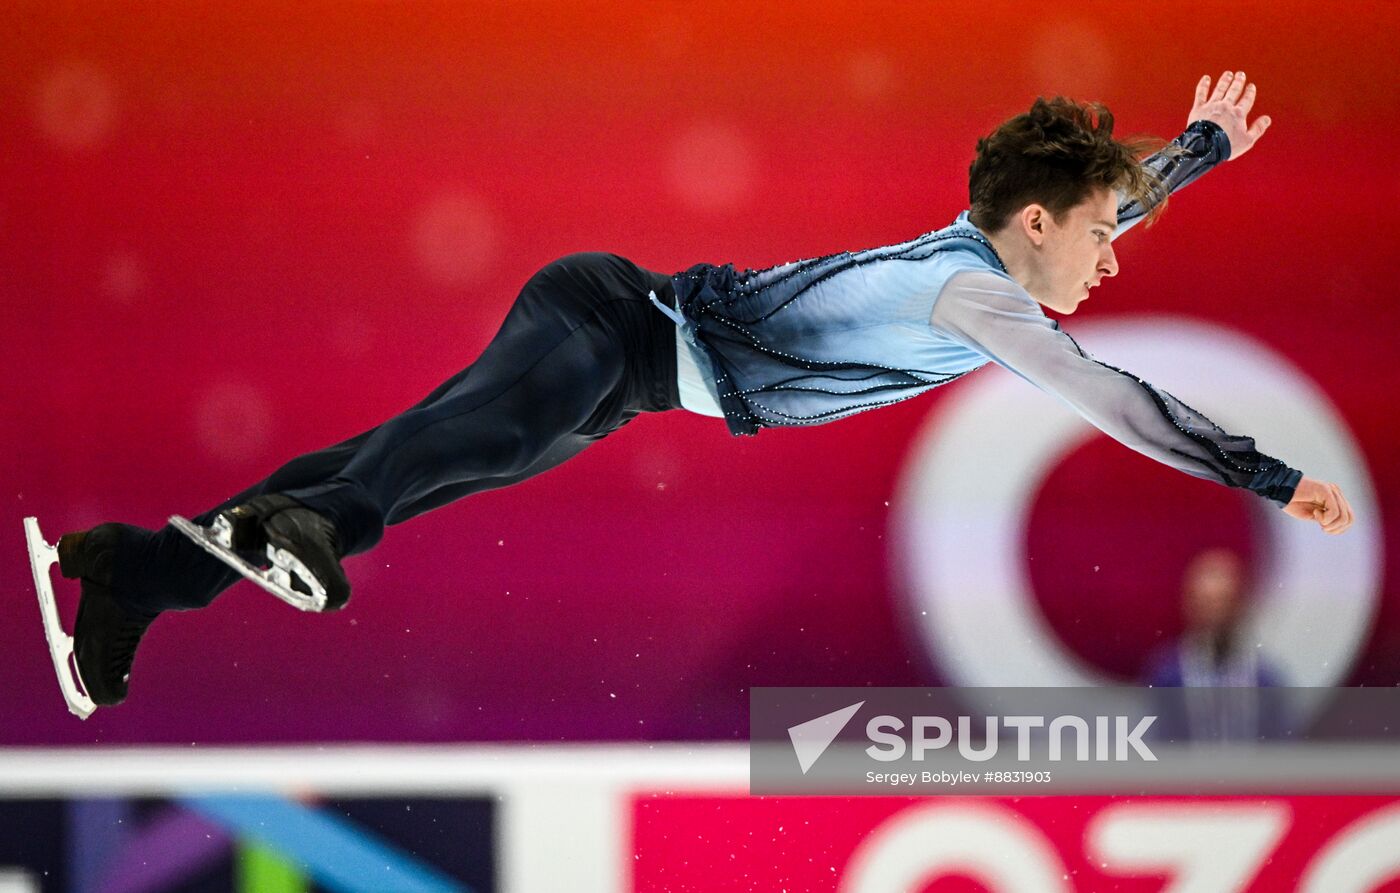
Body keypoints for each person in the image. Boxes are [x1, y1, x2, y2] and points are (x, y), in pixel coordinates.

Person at [40, 71, 1355, 710]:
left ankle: (137, 572)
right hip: (613, 320)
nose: (1116, 252)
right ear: (1029, 221)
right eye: (1098, 237)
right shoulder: (981, 299)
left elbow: (1117, 194)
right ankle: (314, 534)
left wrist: (1198, 149)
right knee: (451, 442)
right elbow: (1115, 397)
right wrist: (1268, 474)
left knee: (423, 450)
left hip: (631, 381)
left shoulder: (1009, 258)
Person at [1142, 548, 1291, 742]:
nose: (1215, 615)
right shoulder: (1167, 675)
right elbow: (1157, 743)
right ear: (1190, 605)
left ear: (1239, 606)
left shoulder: (1266, 678)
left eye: (1224, 603)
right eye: (1207, 604)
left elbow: (1283, 749)